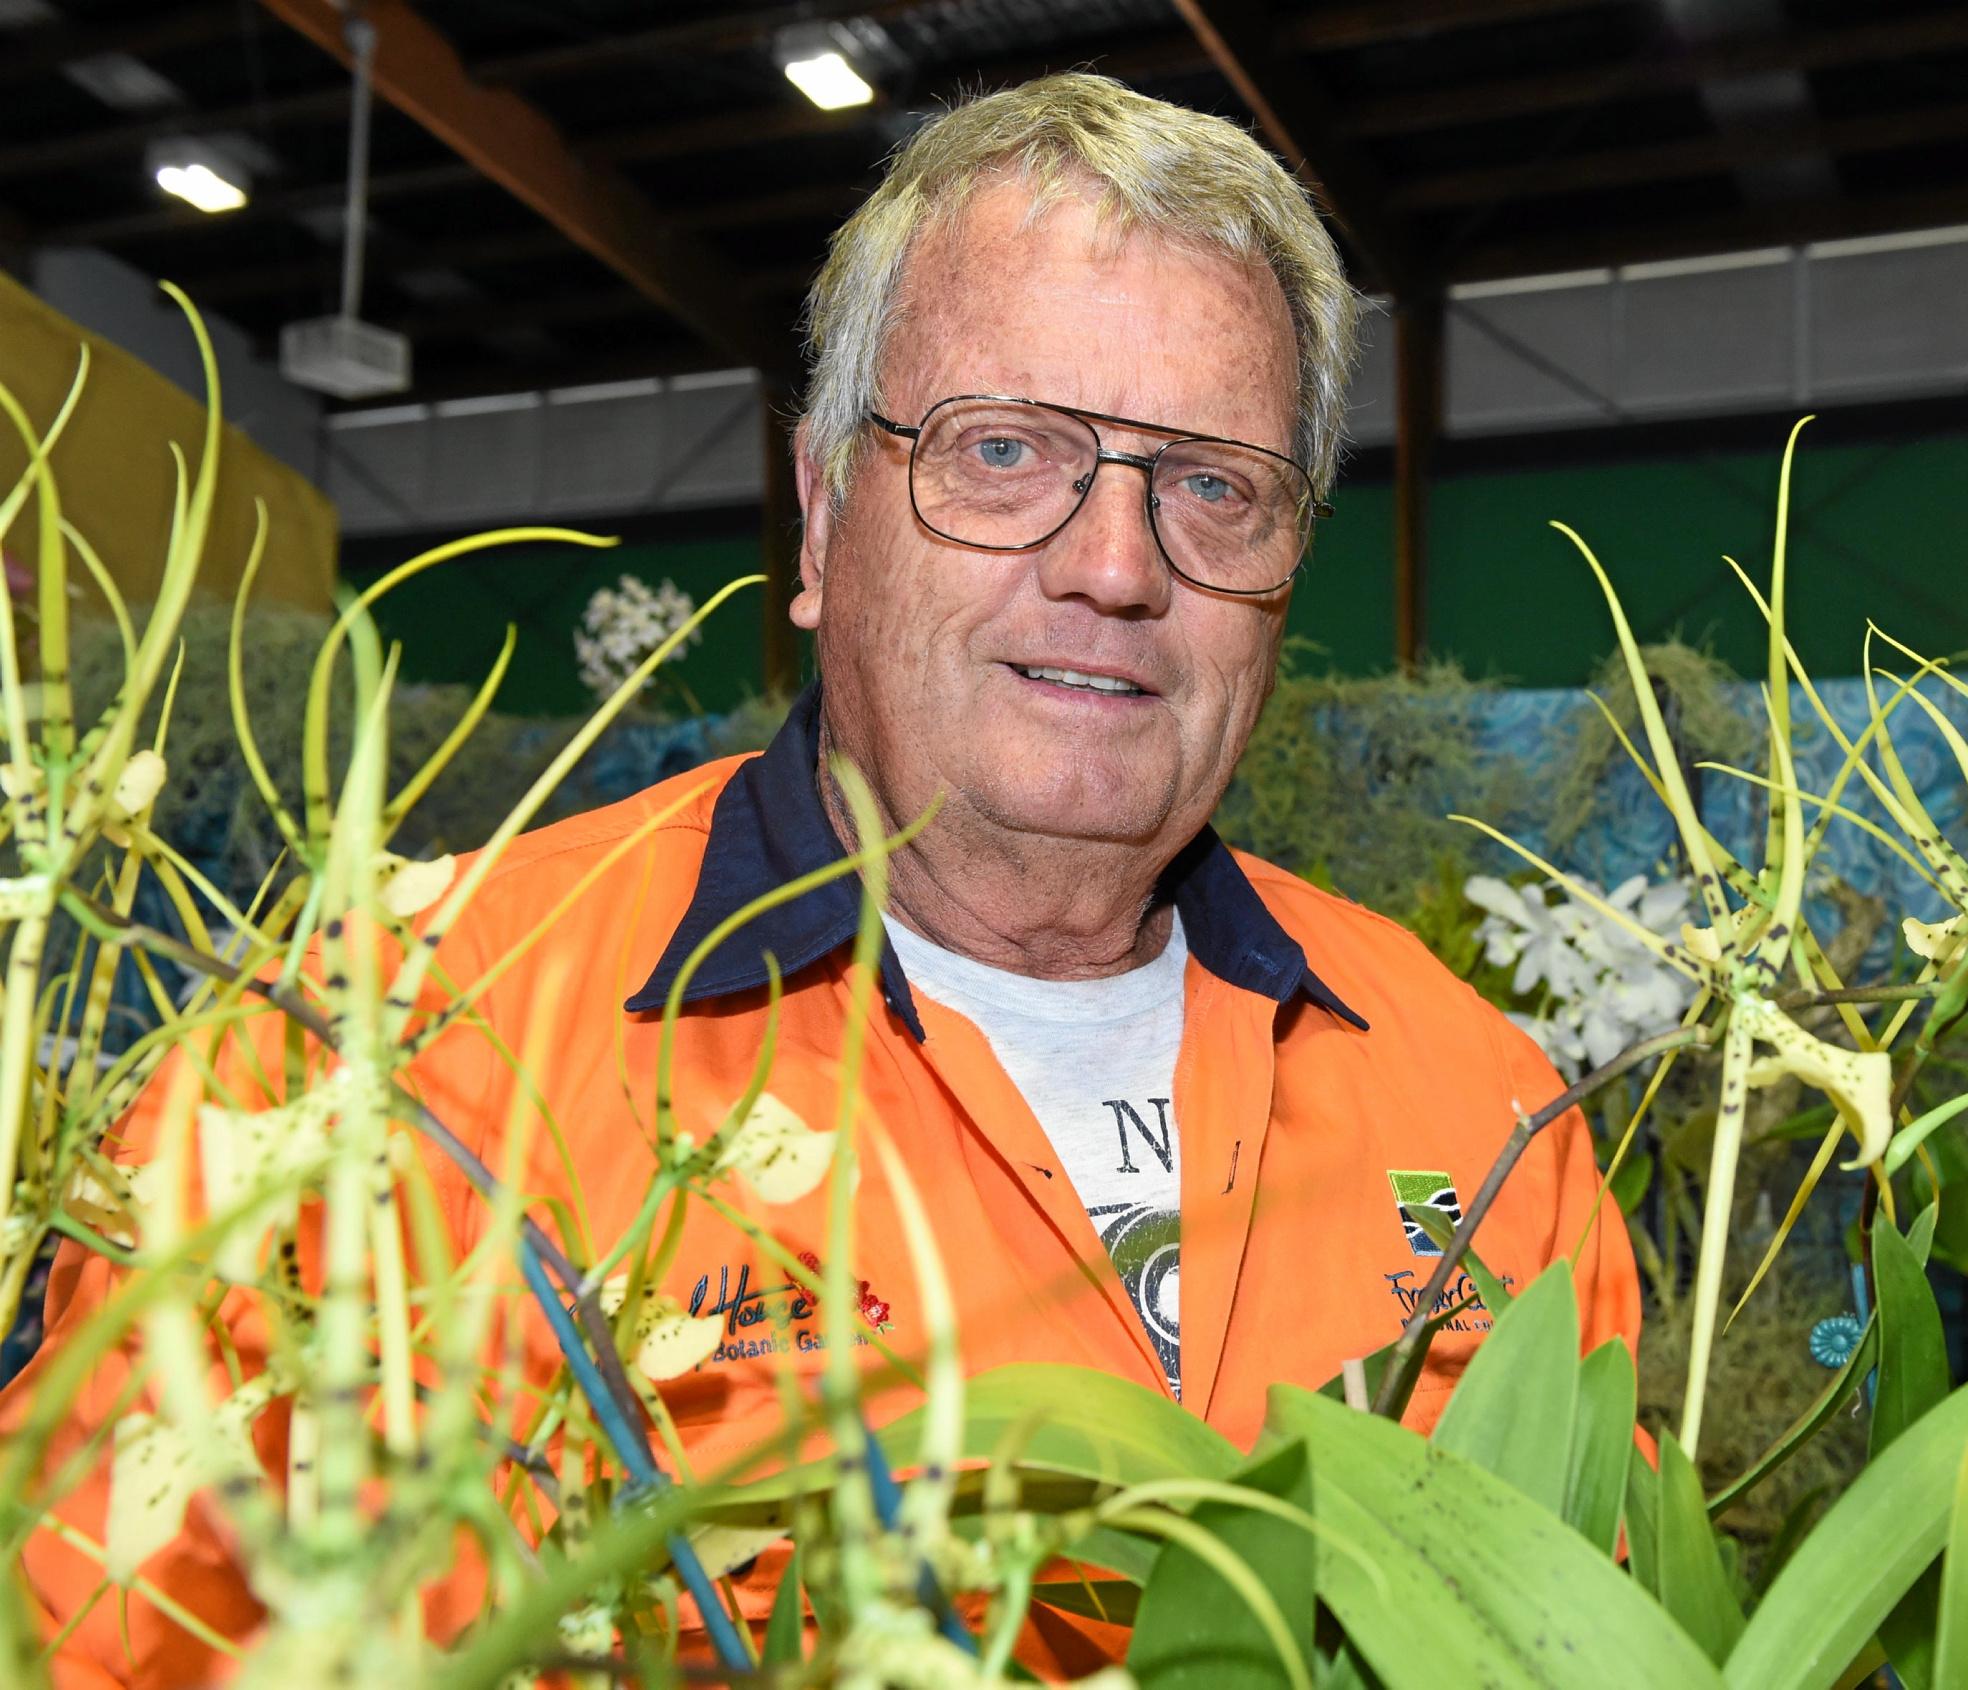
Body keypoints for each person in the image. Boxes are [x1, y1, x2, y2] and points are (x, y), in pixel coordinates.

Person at [6, 73, 1637, 1681]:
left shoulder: (1480, 1110)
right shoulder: (381, 1054)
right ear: (819, 515)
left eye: (1215, 486)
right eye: (1005, 451)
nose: (1119, 566)